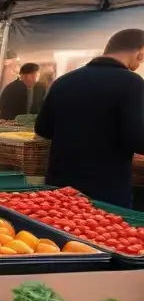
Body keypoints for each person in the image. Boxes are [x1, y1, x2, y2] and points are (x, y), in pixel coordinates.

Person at [35, 29, 144, 207]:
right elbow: (137, 139)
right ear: (139, 51)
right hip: (105, 190)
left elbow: (42, 128)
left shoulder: (64, 81)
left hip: (60, 186)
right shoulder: (132, 83)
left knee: (55, 232)